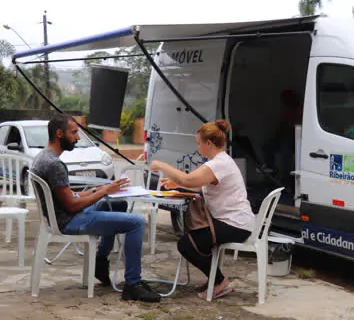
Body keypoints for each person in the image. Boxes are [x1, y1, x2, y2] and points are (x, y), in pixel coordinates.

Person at [31, 114, 160, 303]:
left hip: (65, 215)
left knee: (118, 203)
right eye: (74, 132)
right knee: (137, 222)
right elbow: (72, 205)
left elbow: (68, 196)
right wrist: (105, 190)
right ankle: (133, 284)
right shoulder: (54, 164)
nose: (77, 137)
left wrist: (96, 190)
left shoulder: (43, 157)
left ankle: (100, 260)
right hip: (69, 221)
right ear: (59, 134)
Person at [150, 119, 255, 300]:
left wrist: (163, 166)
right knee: (195, 239)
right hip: (235, 221)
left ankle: (219, 281)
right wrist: (177, 184)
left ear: (209, 143)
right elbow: (200, 184)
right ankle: (214, 277)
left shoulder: (218, 164)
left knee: (186, 244)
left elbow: (189, 180)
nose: (198, 148)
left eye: (199, 143)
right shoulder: (221, 161)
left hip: (236, 224)